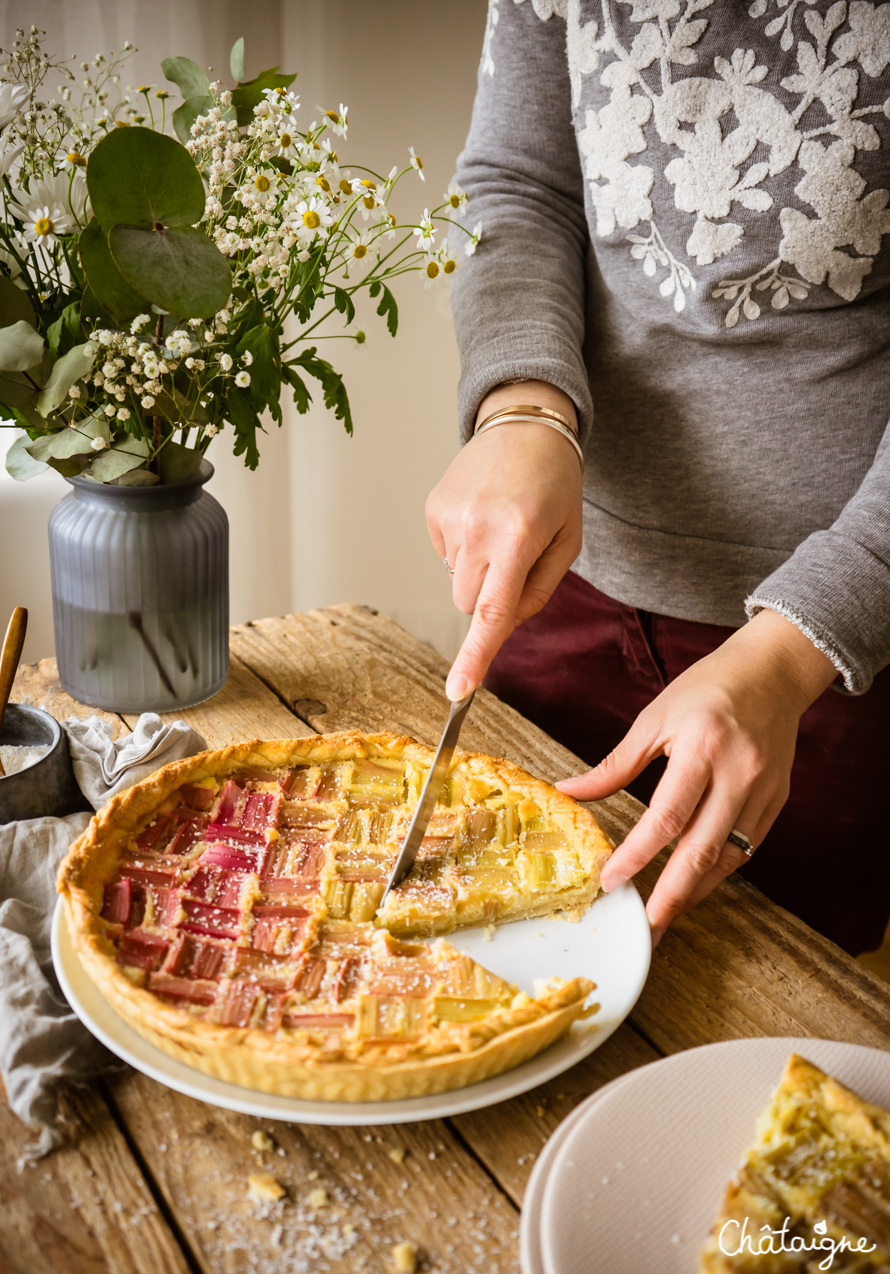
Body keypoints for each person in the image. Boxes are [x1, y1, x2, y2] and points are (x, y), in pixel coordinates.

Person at [425, 0, 890, 956]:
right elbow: (520, 186)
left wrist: (799, 647)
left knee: (766, 1013)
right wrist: (521, 402)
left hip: (829, 657)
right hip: (561, 585)